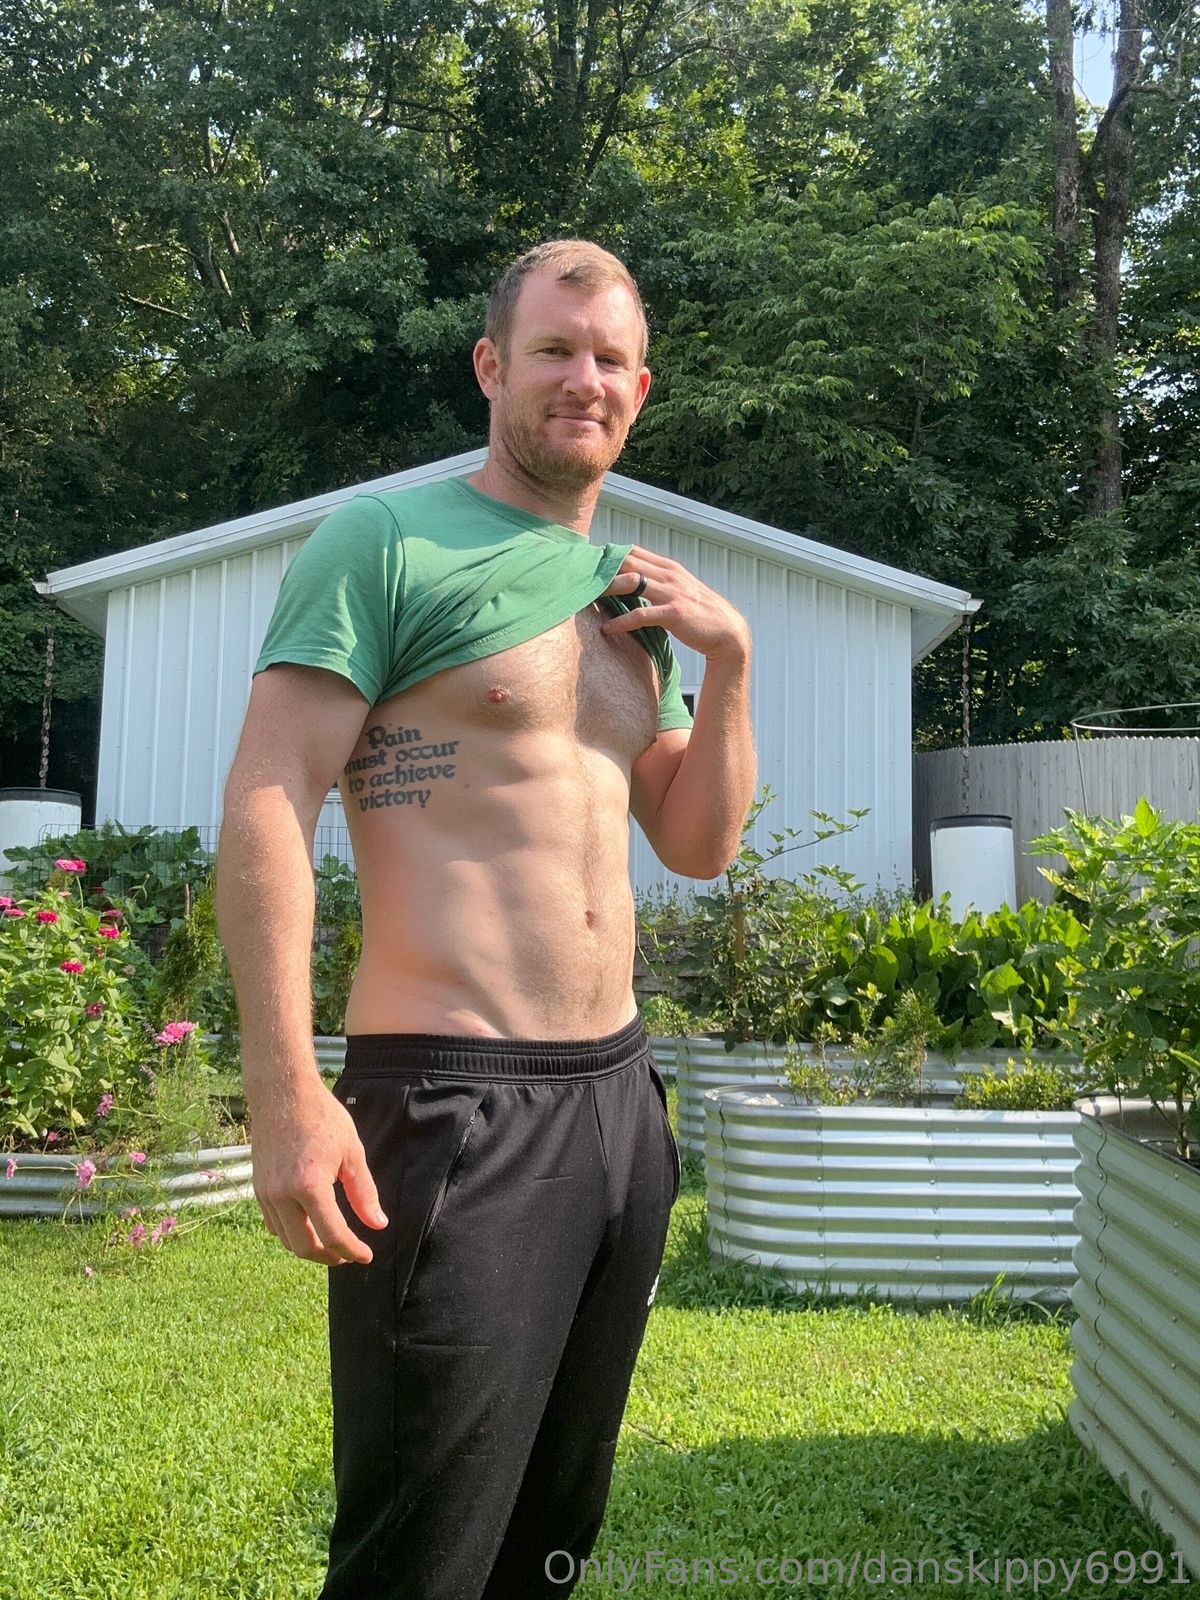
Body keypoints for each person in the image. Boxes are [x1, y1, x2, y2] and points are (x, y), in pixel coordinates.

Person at [214, 238, 756, 1600]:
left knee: (551, 1530)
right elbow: (271, 795)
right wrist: (285, 1094)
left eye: (612, 358)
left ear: (641, 388)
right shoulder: (386, 542)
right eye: (555, 349)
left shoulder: (628, 602)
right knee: (423, 1552)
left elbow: (695, 843)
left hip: (618, 1101)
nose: (586, 378)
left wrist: (733, 663)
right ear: (491, 366)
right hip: (451, 1098)